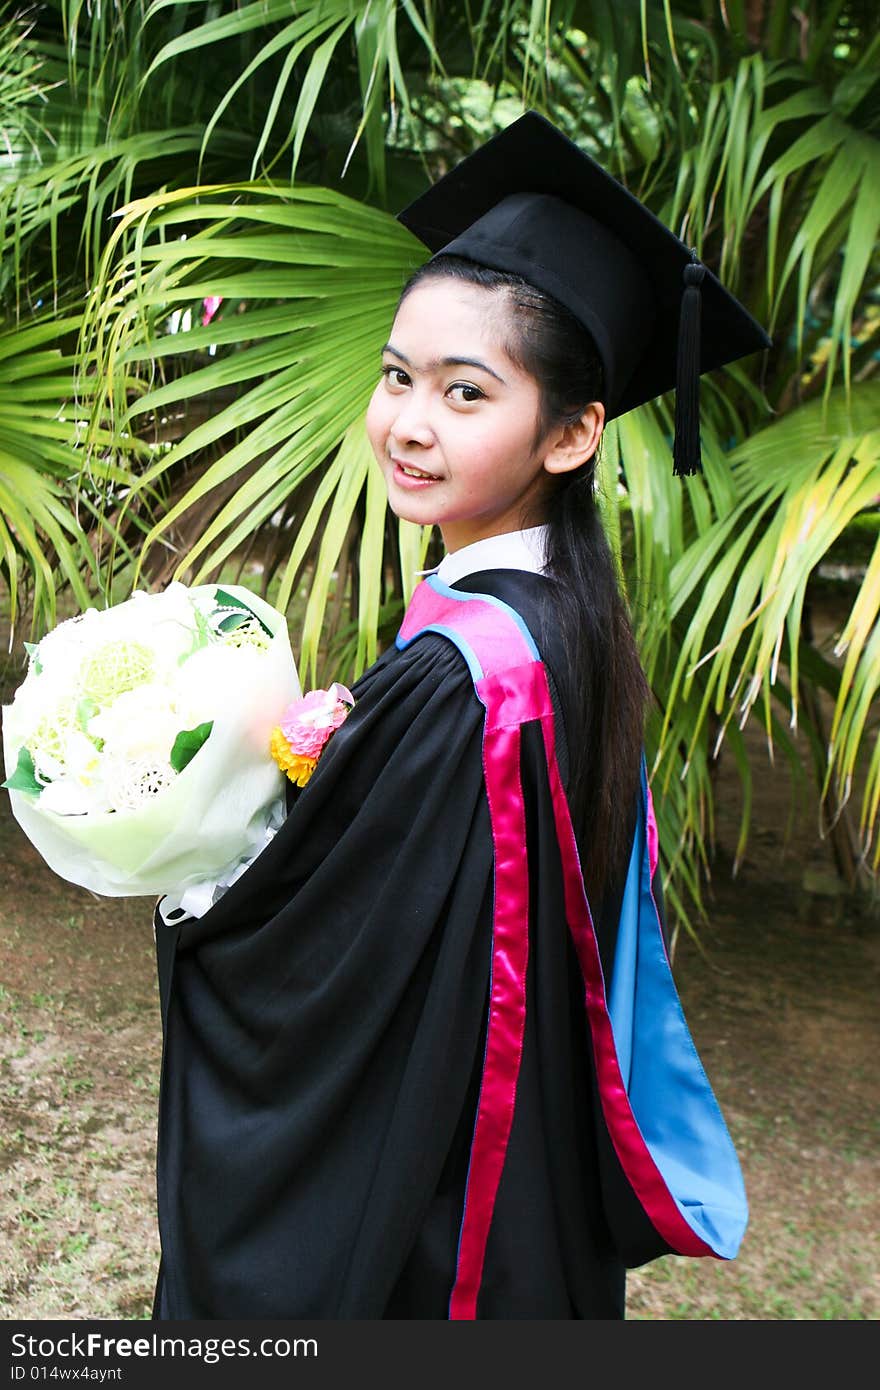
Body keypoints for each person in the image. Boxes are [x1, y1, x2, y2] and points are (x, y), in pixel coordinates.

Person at [151, 112, 770, 1320]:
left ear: (573, 432)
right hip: (521, 1145)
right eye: (397, 375)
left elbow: (319, 969)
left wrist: (204, 861)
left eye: (464, 390)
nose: (408, 421)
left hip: (443, 1193)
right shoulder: (567, 625)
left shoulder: (462, 675)